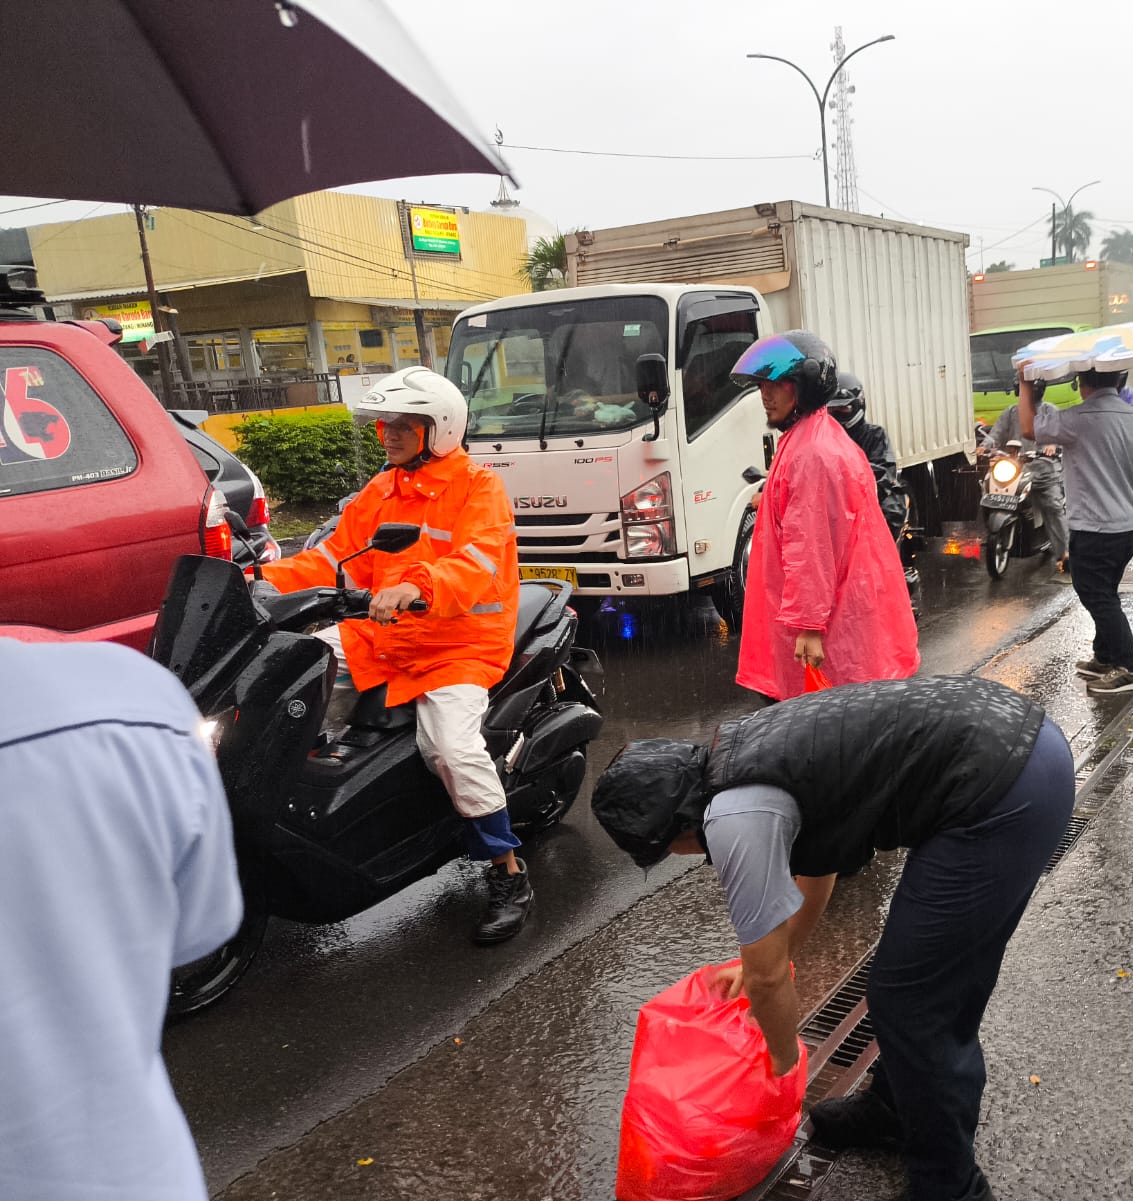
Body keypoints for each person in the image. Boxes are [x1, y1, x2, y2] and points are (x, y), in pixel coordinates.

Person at [589, 675, 1076, 1201]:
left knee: (913, 999)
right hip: (1017, 748)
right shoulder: (734, 758)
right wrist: (763, 959)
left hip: (1003, 787)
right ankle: (894, 1108)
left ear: (674, 832)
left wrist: (781, 1063)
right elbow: (817, 869)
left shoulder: (734, 819)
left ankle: (950, 1187)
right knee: (929, 977)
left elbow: (770, 977)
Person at [261, 366, 531, 943]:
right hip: (382, 638)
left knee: (451, 750)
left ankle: (506, 870)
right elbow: (336, 557)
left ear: (439, 429)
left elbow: (478, 562)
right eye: (383, 425)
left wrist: (418, 586)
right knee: (283, 671)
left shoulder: (478, 489)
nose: (387, 435)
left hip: (456, 647)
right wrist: (260, 579)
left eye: (401, 426)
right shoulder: (381, 491)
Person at [0, 639, 242, 1201]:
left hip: (445, 652)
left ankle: (496, 860)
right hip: (137, 1175)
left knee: (451, 745)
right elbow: (198, 929)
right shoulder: (133, 695)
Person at [732, 331, 919, 703]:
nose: (765, 395)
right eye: (761, 386)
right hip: (838, 617)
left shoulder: (812, 452)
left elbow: (812, 546)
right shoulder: (812, 438)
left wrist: (808, 627)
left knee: (818, 738)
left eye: (776, 383)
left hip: (830, 629)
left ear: (806, 386)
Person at [1018, 360, 1133, 694]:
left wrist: (1025, 385)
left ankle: (1129, 668)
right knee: (1106, 591)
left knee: (1097, 596)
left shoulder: (1078, 419)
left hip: (1095, 528)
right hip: (1127, 525)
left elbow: (1029, 429)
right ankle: (1104, 657)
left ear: (1081, 383)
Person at [828, 370, 921, 614]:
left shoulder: (874, 435)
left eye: (842, 410)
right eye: (832, 411)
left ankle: (890, 581)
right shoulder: (823, 440)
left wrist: (861, 481)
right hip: (837, 505)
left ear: (858, 405)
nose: (837, 416)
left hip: (872, 500)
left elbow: (883, 471)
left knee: (889, 514)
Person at [982, 396, 1071, 574]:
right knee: (988, 487)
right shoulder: (1011, 412)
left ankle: (1066, 555)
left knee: (1053, 506)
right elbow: (995, 434)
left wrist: (1052, 445)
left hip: (1044, 468)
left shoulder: (1049, 410)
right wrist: (985, 445)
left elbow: (1059, 433)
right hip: (1016, 467)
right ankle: (996, 534)